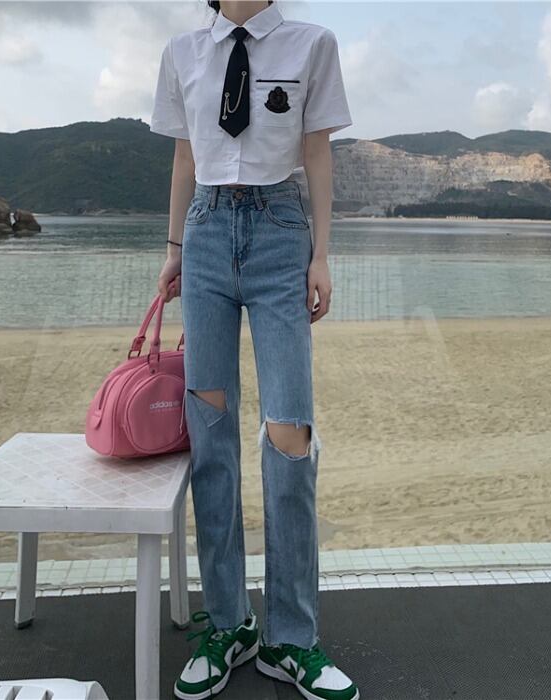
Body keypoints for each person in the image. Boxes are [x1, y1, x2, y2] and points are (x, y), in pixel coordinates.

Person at [150, 2, 358, 699]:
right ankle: (229, 623)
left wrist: (321, 255)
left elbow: (317, 152)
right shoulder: (183, 51)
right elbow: (185, 157)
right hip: (206, 231)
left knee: (289, 434)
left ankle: (292, 636)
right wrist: (174, 250)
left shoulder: (312, 43)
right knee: (210, 438)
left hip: (280, 230)